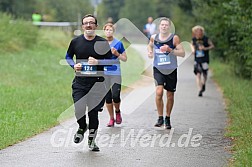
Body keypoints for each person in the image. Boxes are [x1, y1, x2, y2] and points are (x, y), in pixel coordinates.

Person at [65, 14, 113, 151]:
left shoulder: (102, 43)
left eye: (91, 23)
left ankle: (91, 141)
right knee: (79, 109)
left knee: (93, 113)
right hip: (80, 83)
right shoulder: (76, 42)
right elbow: (68, 56)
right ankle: (81, 126)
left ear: (96, 26)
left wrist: (99, 62)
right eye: (86, 23)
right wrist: (73, 65)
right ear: (82, 26)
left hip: (97, 84)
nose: (88, 25)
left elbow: (111, 61)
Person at [147, 17, 184, 129]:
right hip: (158, 69)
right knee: (159, 92)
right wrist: (149, 51)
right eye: (162, 25)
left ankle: (167, 118)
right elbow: (150, 45)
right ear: (159, 26)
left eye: (166, 25)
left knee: (170, 95)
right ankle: (160, 117)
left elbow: (182, 53)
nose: (164, 26)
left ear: (169, 27)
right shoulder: (154, 37)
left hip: (171, 69)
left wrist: (170, 50)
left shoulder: (174, 38)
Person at [103, 23, 127, 127]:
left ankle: (117, 111)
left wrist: (117, 54)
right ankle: (111, 119)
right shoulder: (100, 43)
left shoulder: (118, 43)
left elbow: (125, 58)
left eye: (110, 30)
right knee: (108, 98)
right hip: (103, 73)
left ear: (113, 31)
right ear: (104, 31)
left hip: (115, 72)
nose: (108, 32)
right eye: (107, 30)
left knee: (115, 96)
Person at [191, 25, 214, 97]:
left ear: (202, 32)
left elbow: (212, 46)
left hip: (205, 59)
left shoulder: (206, 39)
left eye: (200, 31)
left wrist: (205, 48)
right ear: (195, 32)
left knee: (204, 74)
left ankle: (203, 84)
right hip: (197, 59)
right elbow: (191, 46)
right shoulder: (193, 39)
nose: (198, 33)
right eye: (197, 31)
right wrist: (193, 50)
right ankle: (200, 89)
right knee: (198, 74)